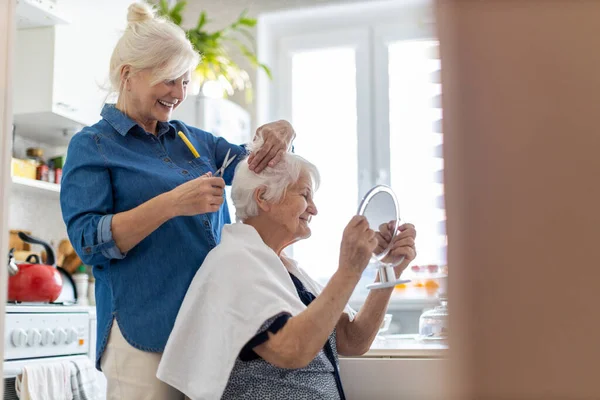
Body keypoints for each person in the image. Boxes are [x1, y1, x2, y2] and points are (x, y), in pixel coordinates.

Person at [59, 2, 296, 399]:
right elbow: (88, 242)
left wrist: (281, 133)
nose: (178, 94)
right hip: (144, 333)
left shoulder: (196, 141)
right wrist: (171, 203)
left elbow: (261, 173)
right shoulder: (92, 146)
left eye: (185, 82)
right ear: (128, 76)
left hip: (209, 332)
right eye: (170, 80)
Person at [157, 144, 417, 400]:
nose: (314, 209)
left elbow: (352, 340)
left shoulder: (287, 271)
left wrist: (388, 269)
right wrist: (348, 270)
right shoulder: (234, 263)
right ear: (263, 198)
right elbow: (291, 349)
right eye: (305, 195)